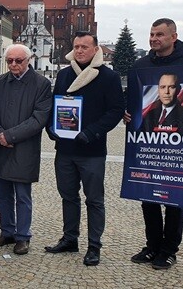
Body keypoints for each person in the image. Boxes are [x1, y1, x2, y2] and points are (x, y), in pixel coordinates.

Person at [128, 18, 183, 270]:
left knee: (175, 199)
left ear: (173, 37)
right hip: (150, 145)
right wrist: (128, 114)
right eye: (151, 33)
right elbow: (134, 105)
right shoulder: (141, 66)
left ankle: (169, 250)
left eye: (160, 34)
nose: (154, 38)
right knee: (148, 197)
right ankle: (152, 245)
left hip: (180, 148)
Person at [45, 31, 124, 266]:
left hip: (92, 149)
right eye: (77, 46)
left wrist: (91, 132)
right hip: (65, 149)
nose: (80, 51)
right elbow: (55, 103)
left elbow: (116, 110)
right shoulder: (64, 74)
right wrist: (51, 127)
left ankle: (94, 246)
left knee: (94, 200)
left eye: (85, 47)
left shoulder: (108, 77)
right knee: (68, 196)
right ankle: (70, 239)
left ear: (95, 49)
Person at [0, 44, 52, 255]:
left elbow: (39, 117)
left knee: (23, 195)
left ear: (28, 60)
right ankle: (7, 231)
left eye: (18, 60)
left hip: (24, 147)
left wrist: (10, 135)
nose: (13, 64)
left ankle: (23, 236)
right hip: (1, 147)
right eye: (10, 61)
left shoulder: (41, 84)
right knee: (1, 194)